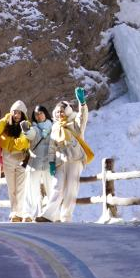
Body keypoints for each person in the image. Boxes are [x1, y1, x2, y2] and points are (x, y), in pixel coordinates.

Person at [37, 88, 91, 223]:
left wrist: (82, 103)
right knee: (57, 187)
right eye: (58, 111)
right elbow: (52, 146)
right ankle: (48, 215)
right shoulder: (55, 127)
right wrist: (51, 162)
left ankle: (66, 216)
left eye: (62, 111)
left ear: (67, 111)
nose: (60, 113)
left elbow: (83, 117)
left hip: (75, 160)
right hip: (60, 161)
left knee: (71, 189)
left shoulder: (75, 123)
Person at [0, 100, 30, 221]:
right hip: (7, 159)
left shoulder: (26, 125)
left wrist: (10, 143)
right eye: (15, 112)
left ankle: (19, 212)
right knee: (11, 188)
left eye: (19, 113)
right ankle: (15, 212)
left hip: (21, 158)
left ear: (23, 114)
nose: (16, 115)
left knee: (20, 187)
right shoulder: (5, 122)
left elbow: (23, 141)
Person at [23, 105, 56, 221]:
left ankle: (54, 214)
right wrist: (26, 130)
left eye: (41, 113)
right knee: (31, 189)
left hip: (49, 163)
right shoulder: (34, 128)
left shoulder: (53, 127)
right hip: (35, 163)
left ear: (45, 113)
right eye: (36, 114)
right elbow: (30, 134)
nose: (39, 115)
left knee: (52, 189)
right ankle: (28, 214)